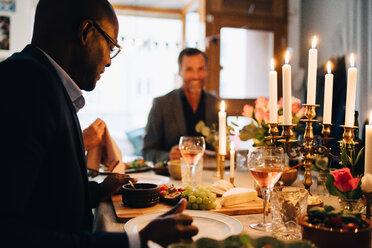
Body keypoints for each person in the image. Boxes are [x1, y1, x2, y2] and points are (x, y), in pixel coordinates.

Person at [0, 0, 197, 247]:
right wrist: (136, 240)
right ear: (85, 33)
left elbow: (43, 197)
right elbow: (7, 231)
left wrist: (97, 191)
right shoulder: (24, 86)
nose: (110, 60)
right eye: (111, 45)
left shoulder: (45, 81)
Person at [143, 48, 220, 163]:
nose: (196, 76)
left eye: (201, 69)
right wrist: (168, 156)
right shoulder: (161, 104)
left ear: (207, 71)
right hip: (172, 177)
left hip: (210, 177)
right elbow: (147, 152)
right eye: (189, 69)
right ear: (180, 71)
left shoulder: (216, 104)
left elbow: (221, 147)